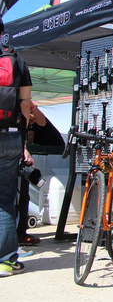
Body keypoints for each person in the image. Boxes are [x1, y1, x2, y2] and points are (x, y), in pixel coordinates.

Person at [0, 17, 33, 277]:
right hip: (9, 136)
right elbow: (25, 105)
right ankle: (6, 261)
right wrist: (23, 142)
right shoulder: (16, 60)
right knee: (5, 201)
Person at [17, 103, 65, 246]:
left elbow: (41, 122)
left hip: (18, 156)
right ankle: (18, 235)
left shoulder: (31, 120)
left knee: (22, 195)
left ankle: (19, 234)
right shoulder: (15, 114)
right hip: (13, 153)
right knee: (15, 196)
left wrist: (32, 107)